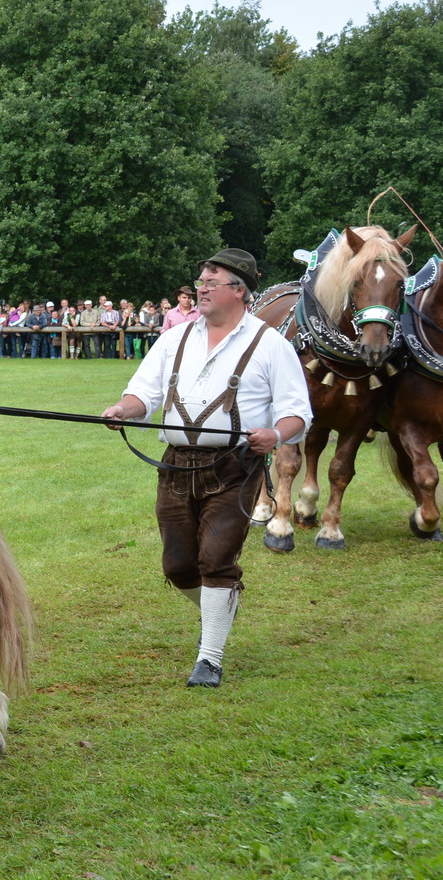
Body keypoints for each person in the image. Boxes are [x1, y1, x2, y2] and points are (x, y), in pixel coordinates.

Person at [98, 249, 311, 688]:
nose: (202, 287)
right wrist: (123, 409)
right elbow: (143, 394)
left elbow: (298, 414)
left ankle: (209, 658)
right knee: (178, 567)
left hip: (234, 467)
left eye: (212, 281)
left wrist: (275, 434)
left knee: (216, 559)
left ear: (239, 290)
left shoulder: (270, 343)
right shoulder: (174, 339)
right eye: (200, 280)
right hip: (174, 467)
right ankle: (221, 606)